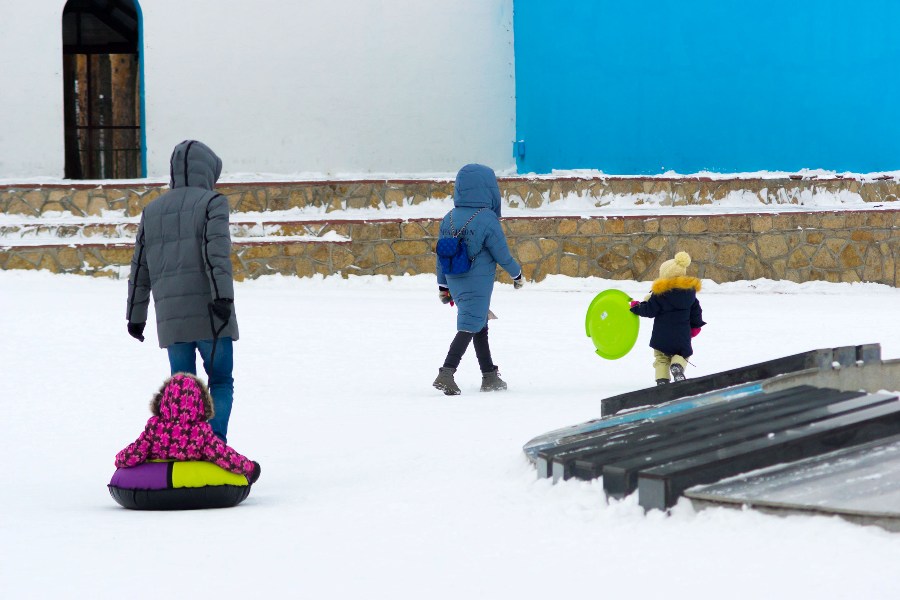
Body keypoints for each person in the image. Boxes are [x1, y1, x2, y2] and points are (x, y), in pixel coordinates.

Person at [125, 140, 239, 442]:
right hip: (211, 313)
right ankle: (213, 445)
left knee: (181, 388)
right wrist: (223, 298)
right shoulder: (213, 202)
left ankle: (183, 446)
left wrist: (135, 316)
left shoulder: (152, 211)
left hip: (171, 319)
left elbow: (140, 268)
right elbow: (217, 255)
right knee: (221, 381)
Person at [433, 163, 524, 395]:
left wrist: (443, 285)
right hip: (477, 281)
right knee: (469, 325)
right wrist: (516, 274)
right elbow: (501, 253)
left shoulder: (448, 218)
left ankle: (489, 375)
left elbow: (441, 255)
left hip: (455, 278)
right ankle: (446, 373)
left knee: (478, 324)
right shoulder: (486, 218)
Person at [115, 373, 260, 483]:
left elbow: (136, 451)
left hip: (158, 482)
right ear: (201, 404)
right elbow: (224, 455)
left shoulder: (154, 428)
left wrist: (120, 460)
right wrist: (249, 468)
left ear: (163, 402)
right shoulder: (201, 433)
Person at [629, 251, 705, 385]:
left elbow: (649, 310)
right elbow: (696, 312)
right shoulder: (690, 294)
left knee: (661, 358)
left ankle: (662, 380)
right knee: (683, 354)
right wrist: (695, 326)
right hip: (682, 335)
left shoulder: (660, 294)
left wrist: (636, 307)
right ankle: (677, 366)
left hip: (662, 335)